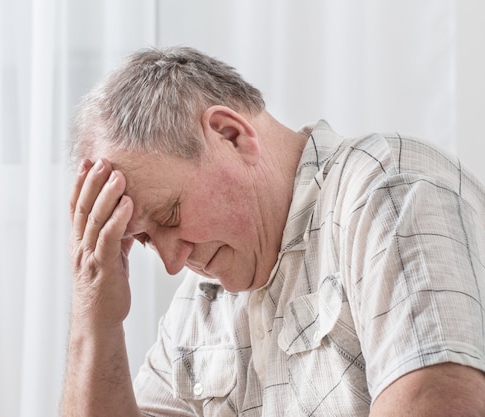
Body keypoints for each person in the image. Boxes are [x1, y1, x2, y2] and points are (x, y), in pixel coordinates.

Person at [61, 46, 485, 416]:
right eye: (146, 239)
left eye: (170, 215)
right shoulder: (199, 301)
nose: (173, 263)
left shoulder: (387, 191)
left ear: (232, 135)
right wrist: (94, 316)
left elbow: (442, 403)